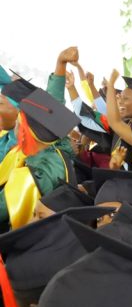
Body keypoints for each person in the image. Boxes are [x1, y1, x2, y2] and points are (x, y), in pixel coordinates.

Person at [0, 83, 80, 229]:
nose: (16, 127)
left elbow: (3, 207)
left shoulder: (39, 172)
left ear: (26, 130)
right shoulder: (54, 154)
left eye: (19, 123)